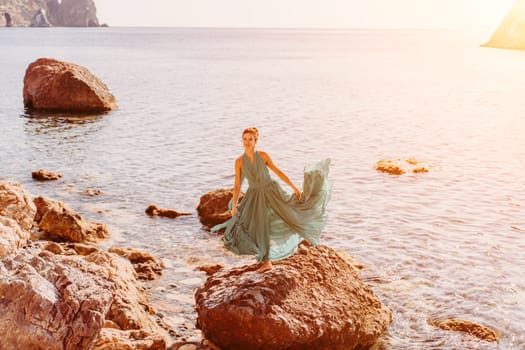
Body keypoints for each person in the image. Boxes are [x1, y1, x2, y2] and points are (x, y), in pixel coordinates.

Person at [212, 127, 331, 273]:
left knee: (286, 216)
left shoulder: (262, 156)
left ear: (256, 141)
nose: (247, 142)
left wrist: (294, 187)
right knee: (256, 227)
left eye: (250, 139)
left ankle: (271, 257)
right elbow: (237, 185)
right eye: (245, 139)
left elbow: (278, 172)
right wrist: (234, 205)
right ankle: (266, 261)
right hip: (254, 196)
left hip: (271, 192)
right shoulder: (239, 162)